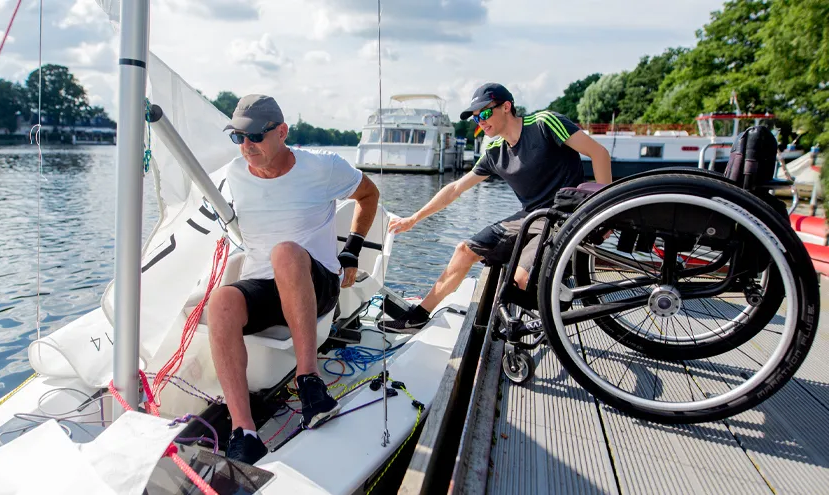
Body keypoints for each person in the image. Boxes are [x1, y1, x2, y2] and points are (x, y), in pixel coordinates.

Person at [207, 94, 380, 464]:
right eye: (238, 138)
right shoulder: (235, 175)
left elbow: (369, 194)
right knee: (220, 301)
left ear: (282, 132)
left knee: (285, 253)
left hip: (316, 282)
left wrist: (351, 250)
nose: (246, 146)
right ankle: (245, 431)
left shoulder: (323, 168)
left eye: (254, 136)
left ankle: (309, 380)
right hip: (265, 285)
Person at [381, 83, 612, 332]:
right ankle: (418, 316)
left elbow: (599, 154)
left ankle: (557, 301)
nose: (480, 121)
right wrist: (414, 218)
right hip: (531, 217)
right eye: (476, 118)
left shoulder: (545, 124)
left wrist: (603, 214)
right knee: (464, 250)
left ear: (506, 107)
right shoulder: (493, 151)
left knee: (521, 280)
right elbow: (456, 189)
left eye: (485, 113)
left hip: (564, 216)